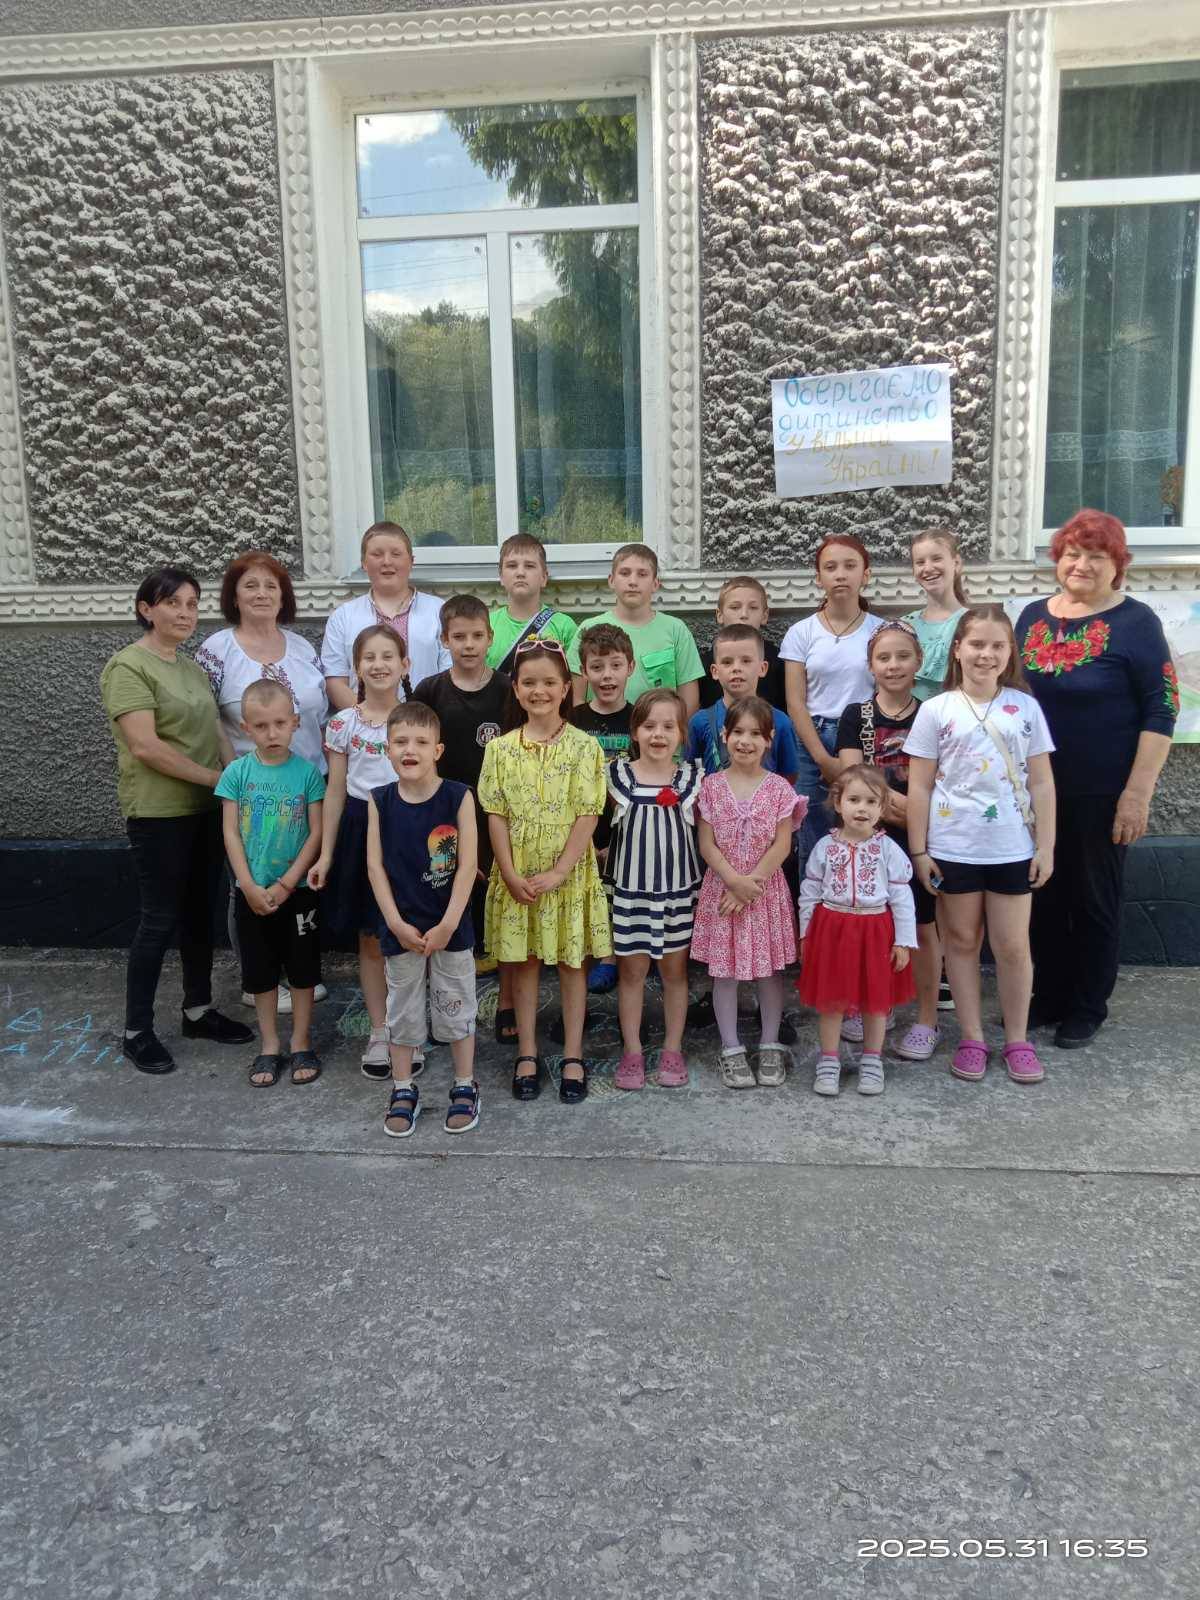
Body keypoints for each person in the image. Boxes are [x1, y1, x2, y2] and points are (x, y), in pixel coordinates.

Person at [1017, 510, 1178, 1049]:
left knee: (1094, 899)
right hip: (1036, 791)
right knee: (1042, 895)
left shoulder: (1136, 622)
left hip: (1103, 791)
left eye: (1096, 556)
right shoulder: (1032, 617)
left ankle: (1087, 1006)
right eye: (1072, 553)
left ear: (1117, 566)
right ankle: (1049, 996)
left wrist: (1137, 794)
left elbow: (1162, 708)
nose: (1081, 564)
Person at [100, 565, 253, 1074]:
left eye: (191, 604)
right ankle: (136, 1031)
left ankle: (197, 1010)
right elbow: (145, 746)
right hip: (159, 812)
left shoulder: (189, 668)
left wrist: (238, 776)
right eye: (173, 603)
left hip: (206, 811)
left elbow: (215, 732)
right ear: (146, 609)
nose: (185, 613)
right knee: (159, 919)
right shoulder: (128, 666)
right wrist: (217, 780)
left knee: (198, 915)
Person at [904, 606, 1057, 1086]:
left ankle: (1017, 1039)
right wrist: (919, 851)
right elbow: (919, 786)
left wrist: (1046, 846)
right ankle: (971, 1037)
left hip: (1012, 847)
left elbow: (1042, 783)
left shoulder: (1025, 708)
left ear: (1010, 652)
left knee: (1012, 946)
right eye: (976, 644)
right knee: (962, 942)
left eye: (996, 645)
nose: (985, 654)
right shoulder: (936, 710)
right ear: (957, 650)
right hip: (953, 847)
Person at [196, 548, 330, 1012]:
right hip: (252, 789)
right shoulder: (216, 650)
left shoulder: (303, 648)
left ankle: (299, 973)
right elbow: (208, 719)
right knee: (250, 878)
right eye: (250, 585)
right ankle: (258, 980)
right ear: (233, 596)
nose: (261, 593)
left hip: (308, 782)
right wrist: (232, 771)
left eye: (271, 586)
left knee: (302, 876)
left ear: (284, 595)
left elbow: (319, 715)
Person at [477, 640, 612, 1104]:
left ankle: (573, 1054)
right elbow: (495, 814)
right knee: (525, 963)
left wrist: (559, 871)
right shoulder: (499, 750)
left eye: (550, 682)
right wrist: (509, 871)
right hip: (518, 874)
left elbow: (588, 814)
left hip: (568, 875)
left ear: (566, 688)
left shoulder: (585, 747)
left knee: (573, 964)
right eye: (529, 683)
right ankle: (528, 1053)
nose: (540, 691)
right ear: (516, 689)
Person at [366, 702, 481, 1138]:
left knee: (456, 1005)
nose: (409, 749)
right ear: (387, 749)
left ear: (438, 750)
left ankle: (465, 1084)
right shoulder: (379, 800)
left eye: (420, 742)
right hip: (402, 928)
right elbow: (375, 867)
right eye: (400, 742)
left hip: (450, 925)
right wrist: (395, 923)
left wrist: (449, 923)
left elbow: (468, 865)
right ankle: (402, 1088)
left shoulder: (458, 796)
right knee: (403, 1011)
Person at [308, 624, 416, 1080]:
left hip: (408, 829)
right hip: (358, 828)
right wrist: (326, 854)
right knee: (371, 937)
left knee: (408, 934)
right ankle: (379, 1030)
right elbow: (334, 791)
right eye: (369, 657)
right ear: (356, 667)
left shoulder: (417, 721)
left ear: (405, 664)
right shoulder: (342, 724)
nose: (379, 665)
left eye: (388, 656)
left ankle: (409, 1029)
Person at [836, 620, 943, 1061]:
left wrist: (911, 812)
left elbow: (941, 785)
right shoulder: (855, 717)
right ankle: (874, 1004)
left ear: (919, 662)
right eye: (883, 657)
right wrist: (902, 804)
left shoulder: (935, 715)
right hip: (868, 837)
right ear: (870, 665)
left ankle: (927, 1020)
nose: (893, 665)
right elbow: (852, 778)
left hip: (922, 840)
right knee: (871, 925)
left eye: (902, 656)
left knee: (921, 926)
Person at [691, 696, 806, 1089]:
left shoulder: (778, 789)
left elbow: (782, 844)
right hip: (722, 892)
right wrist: (733, 881)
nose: (746, 741)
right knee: (724, 972)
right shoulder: (711, 787)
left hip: (764, 893)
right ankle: (731, 1047)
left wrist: (749, 885)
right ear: (724, 736)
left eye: (756, 734)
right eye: (738, 732)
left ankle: (770, 1043)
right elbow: (706, 844)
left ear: (769, 740)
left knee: (770, 973)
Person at [215, 681, 325, 1087]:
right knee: (260, 974)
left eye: (280, 723)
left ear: (295, 723)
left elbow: (316, 832)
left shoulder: (307, 774)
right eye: (261, 726)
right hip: (253, 893)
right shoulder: (236, 774)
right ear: (246, 728)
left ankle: (301, 1040)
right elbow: (230, 832)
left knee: (302, 970)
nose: (272, 733)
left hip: (297, 894)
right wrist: (246, 884)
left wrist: (289, 882)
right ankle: (269, 1044)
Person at [798, 767, 917, 1097]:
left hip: (874, 931)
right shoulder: (824, 847)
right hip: (832, 931)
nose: (862, 808)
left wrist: (904, 941)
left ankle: (872, 1060)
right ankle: (829, 1060)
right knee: (831, 1001)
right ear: (838, 803)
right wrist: (806, 934)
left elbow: (902, 897)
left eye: (871, 801)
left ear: (882, 808)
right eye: (853, 800)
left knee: (875, 1002)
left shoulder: (888, 849)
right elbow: (809, 892)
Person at [408, 595, 510, 983]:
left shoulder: (506, 689)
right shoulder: (430, 690)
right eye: (459, 636)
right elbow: (416, 743)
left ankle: (489, 946)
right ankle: (448, 942)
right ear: (444, 639)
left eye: (477, 636)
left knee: (489, 872)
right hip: (444, 804)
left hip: (494, 804)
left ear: (490, 638)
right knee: (445, 872)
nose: (469, 645)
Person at [606, 690, 703, 1091]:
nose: (658, 734)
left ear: (682, 734)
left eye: (668, 726)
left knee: (674, 973)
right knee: (631, 972)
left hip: (677, 892)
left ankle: (672, 1048)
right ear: (635, 732)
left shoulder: (691, 778)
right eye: (649, 726)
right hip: (631, 893)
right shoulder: (618, 776)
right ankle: (632, 1050)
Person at [781, 535, 885, 860]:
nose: (840, 574)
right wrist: (823, 760)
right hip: (811, 740)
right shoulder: (802, 632)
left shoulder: (880, 632)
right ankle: (814, 894)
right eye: (831, 567)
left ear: (865, 575)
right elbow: (795, 702)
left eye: (850, 566)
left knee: (860, 826)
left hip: (862, 736)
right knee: (811, 834)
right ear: (818, 577)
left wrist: (852, 756)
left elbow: (884, 692)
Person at [568, 622, 636, 998]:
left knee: (621, 893)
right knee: (588, 894)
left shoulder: (640, 719)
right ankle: (594, 955)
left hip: (627, 827)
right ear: (584, 671)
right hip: (584, 826)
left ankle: (620, 956)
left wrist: (620, 840)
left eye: (615, 665)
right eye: (597, 667)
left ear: (631, 667)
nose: (607, 675)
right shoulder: (573, 721)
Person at [568, 543, 704, 716]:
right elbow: (576, 700)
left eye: (642, 574)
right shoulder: (588, 629)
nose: (633, 582)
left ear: (655, 583)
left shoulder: (676, 630)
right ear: (611, 580)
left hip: (659, 731)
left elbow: (689, 703)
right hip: (598, 732)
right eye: (625, 573)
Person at [321, 522, 448, 709]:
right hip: (362, 724)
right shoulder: (343, 617)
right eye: (377, 554)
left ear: (411, 561)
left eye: (396, 554)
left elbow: (449, 678)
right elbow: (335, 682)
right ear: (364, 563)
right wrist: (370, 719)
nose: (387, 561)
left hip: (425, 722)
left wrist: (418, 721)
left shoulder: (438, 611)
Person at [686, 624, 801, 780]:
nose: (736, 668)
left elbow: (789, 777)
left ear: (762, 668)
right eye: (727, 662)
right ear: (715, 671)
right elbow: (690, 772)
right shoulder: (699, 722)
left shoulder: (780, 722)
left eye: (746, 661)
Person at [486, 533, 579, 678]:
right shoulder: (486, 625)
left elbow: (574, 684)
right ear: (501, 577)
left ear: (544, 577)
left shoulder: (564, 627)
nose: (520, 573)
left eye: (529, 566)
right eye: (512, 566)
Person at [698, 576, 786, 711]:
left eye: (753, 607)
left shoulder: (778, 661)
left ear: (764, 615)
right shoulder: (705, 663)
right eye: (735, 607)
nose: (744, 614)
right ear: (720, 615)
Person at [901, 528, 969, 701]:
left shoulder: (972, 624)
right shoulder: (904, 627)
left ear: (956, 563)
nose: (928, 568)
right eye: (920, 562)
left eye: (936, 558)